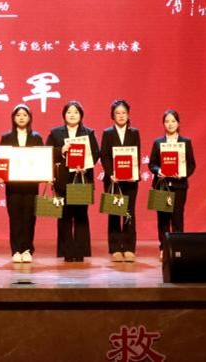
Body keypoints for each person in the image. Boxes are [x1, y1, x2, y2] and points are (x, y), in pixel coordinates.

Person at [46, 101, 100, 263]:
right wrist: (61, 150)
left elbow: (95, 153)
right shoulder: (55, 133)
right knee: (64, 216)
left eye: (76, 112)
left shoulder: (88, 133)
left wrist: (86, 165)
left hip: (82, 179)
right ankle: (67, 251)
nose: (72, 115)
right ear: (64, 115)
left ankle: (80, 251)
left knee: (81, 215)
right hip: (63, 180)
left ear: (81, 115)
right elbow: (47, 152)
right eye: (69, 112)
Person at [148, 109, 197, 260]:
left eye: (173, 121)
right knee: (163, 219)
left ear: (178, 123)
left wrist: (183, 173)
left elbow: (191, 165)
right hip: (162, 185)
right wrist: (159, 170)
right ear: (163, 124)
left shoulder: (185, 142)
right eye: (167, 121)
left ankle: (177, 248)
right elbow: (152, 164)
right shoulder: (158, 142)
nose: (170, 124)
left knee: (177, 218)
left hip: (179, 186)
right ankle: (164, 248)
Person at [0, 104, 45, 263]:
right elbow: (1, 160)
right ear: (13, 118)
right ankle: (16, 250)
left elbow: (42, 159)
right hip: (13, 186)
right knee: (15, 217)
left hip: (31, 185)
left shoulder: (36, 137)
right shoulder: (6, 137)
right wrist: (0, 175)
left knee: (29, 217)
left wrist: (45, 174)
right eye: (18, 115)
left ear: (30, 118)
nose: (21, 118)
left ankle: (27, 249)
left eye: (25, 115)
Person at [100, 99, 141, 263]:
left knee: (129, 213)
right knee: (115, 213)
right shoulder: (107, 133)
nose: (121, 116)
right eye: (118, 113)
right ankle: (115, 248)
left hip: (130, 181)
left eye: (124, 112)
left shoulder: (134, 133)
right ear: (113, 115)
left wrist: (133, 173)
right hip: (113, 180)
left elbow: (136, 155)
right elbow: (104, 155)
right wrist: (111, 174)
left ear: (128, 114)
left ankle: (129, 247)